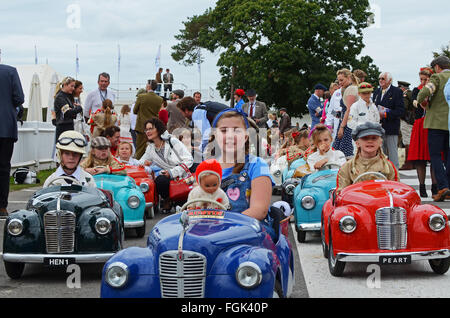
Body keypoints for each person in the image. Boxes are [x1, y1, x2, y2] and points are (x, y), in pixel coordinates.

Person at [206, 108, 277, 240]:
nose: (230, 135)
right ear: (215, 135)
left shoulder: (256, 165)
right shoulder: (207, 167)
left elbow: (259, 210)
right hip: (211, 232)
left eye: (236, 130)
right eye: (224, 130)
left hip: (249, 231)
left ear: (245, 137)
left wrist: (225, 231)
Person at [138, 118, 193, 213]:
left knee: (183, 205)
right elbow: (140, 162)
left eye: (151, 128)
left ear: (158, 129)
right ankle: (168, 199)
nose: (148, 131)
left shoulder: (172, 141)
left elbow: (189, 160)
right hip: (169, 178)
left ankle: (178, 200)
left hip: (183, 174)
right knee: (159, 180)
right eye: (146, 130)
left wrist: (172, 173)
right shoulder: (150, 148)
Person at [417, 55, 450, 201]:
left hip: (436, 123)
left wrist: (420, 101)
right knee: (449, 156)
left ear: (437, 67)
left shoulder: (437, 78)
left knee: (435, 155)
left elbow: (424, 92)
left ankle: (443, 186)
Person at [336, 122, 398, 194]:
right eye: (365, 138)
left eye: (374, 138)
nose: (370, 141)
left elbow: (395, 191)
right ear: (357, 143)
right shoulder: (347, 167)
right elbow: (341, 194)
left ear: (380, 142)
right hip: (356, 203)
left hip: (383, 203)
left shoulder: (388, 166)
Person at [408, 67, 437, 197]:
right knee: (420, 159)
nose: (424, 82)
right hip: (420, 124)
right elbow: (414, 102)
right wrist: (420, 102)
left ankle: (435, 186)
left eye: (426, 79)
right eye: (421, 79)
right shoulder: (417, 90)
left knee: (434, 157)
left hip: (432, 124)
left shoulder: (435, 90)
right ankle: (422, 186)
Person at [0, 63, 24, 218]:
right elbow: (19, 98)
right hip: (5, 127)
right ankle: (2, 207)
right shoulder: (10, 72)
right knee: (3, 168)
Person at [372, 72, 405, 169]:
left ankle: (394, 176)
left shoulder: (396, 91)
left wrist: (386, 114)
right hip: (378, 127)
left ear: (390, 80)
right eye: (379, 78)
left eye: (383, 78)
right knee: (381, 153)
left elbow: (400, 111)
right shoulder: (377, 92)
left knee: (392, 153)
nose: (381, 81)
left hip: (391, 126)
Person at [333, 68, 359, 159]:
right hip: (345, 121)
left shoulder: (351, 89)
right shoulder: (348, 89)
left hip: (348, 124)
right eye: (338, 80)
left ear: (348, 78)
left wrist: (342, 127)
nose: (340, 82)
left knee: (345, 153)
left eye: (342, 80)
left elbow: (349, 110)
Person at [133, 80, 163, 159]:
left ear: (149, 86)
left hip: (141, 127)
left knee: (140, 149)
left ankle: (138, 166)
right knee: (153, 148)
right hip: (153, 127)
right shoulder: (159, 99)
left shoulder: (141, 96)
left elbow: (134, 111)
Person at [54, 76, 83, 142]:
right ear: (65, 85)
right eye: (72, 86)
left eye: (74, 86)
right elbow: (68, 112)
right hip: (63, 128)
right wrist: (79, 108)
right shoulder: (60, 97)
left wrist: (73, 110)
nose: (73, 89)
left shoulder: (67, 96)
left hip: (68, 127)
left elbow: (70, 113)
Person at [397, 81, 415, 170]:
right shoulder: (410, 94)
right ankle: (413, 162)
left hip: (406, 120)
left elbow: (404, 107)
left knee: (407, 141)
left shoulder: (405, 95)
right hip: (411, 120)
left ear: (402, 87)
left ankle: (408, 163)